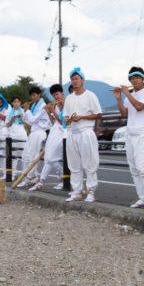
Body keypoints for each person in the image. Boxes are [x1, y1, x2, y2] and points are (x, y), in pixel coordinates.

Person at [113, 66, 144, 210]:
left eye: (137, 78)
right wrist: (119, 98)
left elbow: (139, 107)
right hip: (131, 134)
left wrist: (127, 93)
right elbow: (124, 114)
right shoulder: (130, 95)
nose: (134, 80)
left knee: (143, 168)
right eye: (132, 78)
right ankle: (142, 198)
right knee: (134, 169)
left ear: (142, 79)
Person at [62, 67, 102, 202]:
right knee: (74, 164)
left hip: (86, 132)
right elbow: (65, 118)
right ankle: (77, 191)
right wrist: (67, 120)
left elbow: (98, 114)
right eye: (72, 79)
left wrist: (82, 117)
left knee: (90, 163)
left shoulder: (90, 95)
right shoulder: (68, 98)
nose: (74, 81)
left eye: (77, 79)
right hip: (72, 133)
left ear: (82, 80)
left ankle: (91, 191)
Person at [33, 83, 67, 191]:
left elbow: (63, 122)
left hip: (63, 132)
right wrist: (49, 111)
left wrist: (52, 110)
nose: (56, 97)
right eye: (54, 95)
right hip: (54, 131)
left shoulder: (67, 102)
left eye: (57, 94)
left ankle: (48, 180)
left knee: (52, 157)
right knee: (48, 157)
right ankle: (55, 179)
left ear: (62, 92)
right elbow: (54, 121)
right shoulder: (56, 104)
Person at [17, 85, 51, 188]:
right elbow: (30, 122)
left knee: (33, 156)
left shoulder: (42, 106)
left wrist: (27, 110)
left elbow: (33, 120)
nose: (33, 97)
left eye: (34, 95)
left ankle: (29, 178)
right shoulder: (34, 106)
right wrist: (22, 114)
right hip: (33, 132)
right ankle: (34, 177)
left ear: (39, 95)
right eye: (31, 95)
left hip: (40, 132)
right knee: (26, 155)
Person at [6, 96, 27, 171]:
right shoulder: (9, 112)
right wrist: (12, 119)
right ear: (12, 103)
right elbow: (7, 125)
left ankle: (24, 174)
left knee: (23, 154)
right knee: (13, 155)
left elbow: (28, 124)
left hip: (22, 133)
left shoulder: (24, 111)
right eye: (14, 102)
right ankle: (13, 174)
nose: (16, 103)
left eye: (18, 101)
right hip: (12, 133)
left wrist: (22, 119)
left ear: (20, 102)